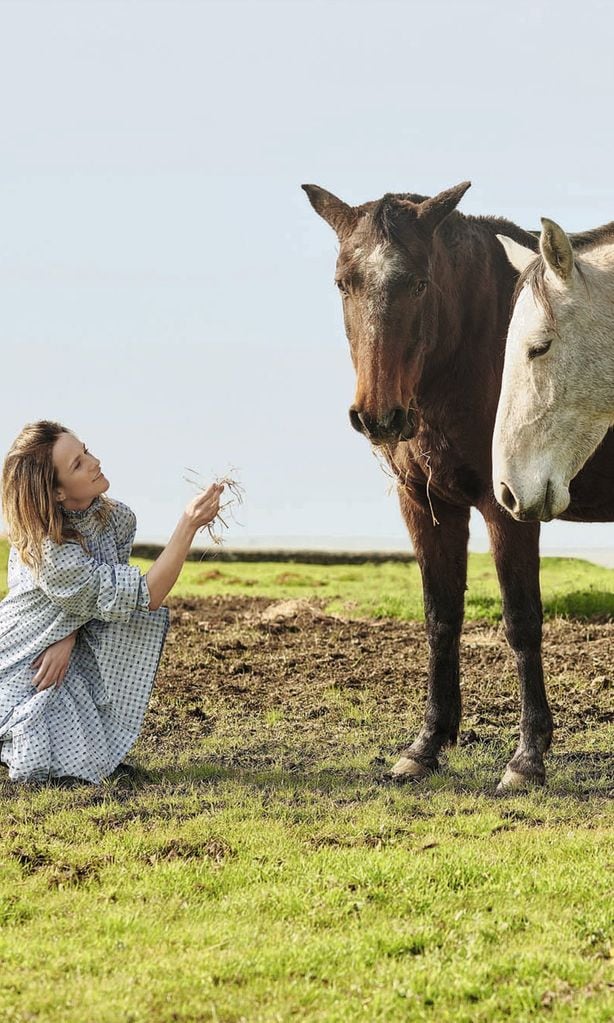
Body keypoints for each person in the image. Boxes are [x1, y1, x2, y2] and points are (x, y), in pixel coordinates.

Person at [0, 420, 223, 785]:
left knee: (84, 756)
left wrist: (66, 637)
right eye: (77, 464)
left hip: (63, 652)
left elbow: (108, 604)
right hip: (20, 661)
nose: (94, 461)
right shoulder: (50, 552)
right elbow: (144, 596)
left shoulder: (116, 519)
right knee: (43, 757)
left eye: (85, 450)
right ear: (55, 493)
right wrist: (188, 525)